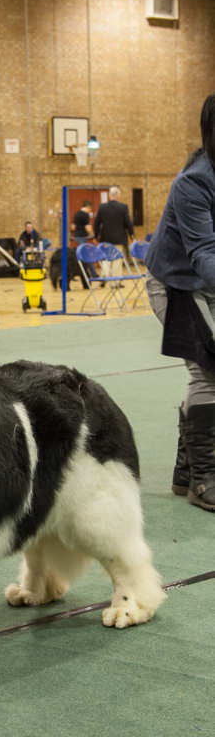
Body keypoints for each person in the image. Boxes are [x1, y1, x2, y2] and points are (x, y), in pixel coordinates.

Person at [145, 93, 215, 514]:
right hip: (177, 284)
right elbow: (204, 252)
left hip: (206, 282)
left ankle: (186, 473)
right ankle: (205, 478)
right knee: (208, 368)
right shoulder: (194, 182)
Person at [93, 186, 134, 279]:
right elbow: (128, 223)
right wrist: (132, 236)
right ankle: (116, 281)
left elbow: (96, 223)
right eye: (119, 194)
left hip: (105, 238)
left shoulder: (102, 207)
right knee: (117, 259)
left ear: (109, 195)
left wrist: (96, 236)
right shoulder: (123, 207)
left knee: (106, 258)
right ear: (117, 195)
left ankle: (104, 276)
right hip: (119, 238)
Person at [72, 201, 97, 278]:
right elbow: (88, 228)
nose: (90, 211)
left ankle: (85, 274)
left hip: (76, 237)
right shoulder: (85, 215)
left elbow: (73, 227)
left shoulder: (76, 213)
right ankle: (94, 274)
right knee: (87, 256)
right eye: (90, 209)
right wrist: (94, 237)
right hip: (82, 238)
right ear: (88, 207)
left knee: (81, 257)